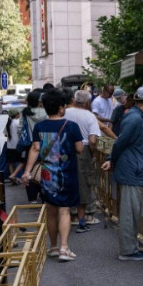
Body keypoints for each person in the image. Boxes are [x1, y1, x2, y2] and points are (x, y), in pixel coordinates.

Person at [23, 89, 86, 261]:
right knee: (64, 211)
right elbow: (80, 148)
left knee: (50, 211)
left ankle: (53, 247)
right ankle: (65, 248)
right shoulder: (71, 126)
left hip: (46, 176)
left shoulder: (39, 127)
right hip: (66, 175)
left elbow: (35, 148)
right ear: (60, 108)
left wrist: (27, 171)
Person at [103, 86, 143, 261]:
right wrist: (112, 159)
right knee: (130, 212)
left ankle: (131, 247)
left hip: (134, 168)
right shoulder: (135, 118)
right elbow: (120, 142)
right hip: (132, 169)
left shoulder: (136, 117)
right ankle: (128, 250)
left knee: (133, 211)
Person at [64, 89, 104, 232]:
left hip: (65, 151)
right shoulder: (89, 116)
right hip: (84, 151)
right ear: (88, 102)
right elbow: (93, 140)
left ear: (74, 100)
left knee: (67, 182)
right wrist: (93, 153)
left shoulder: (65, 112)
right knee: (84, 184)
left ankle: (69, 216)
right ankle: (81, 220)